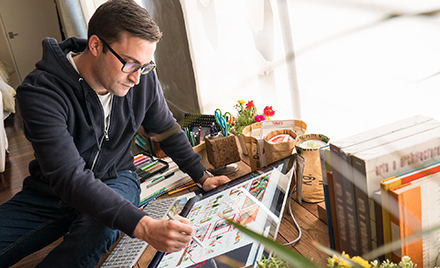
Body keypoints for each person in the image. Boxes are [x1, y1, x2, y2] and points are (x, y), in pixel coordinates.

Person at [0, 0, 230, 267]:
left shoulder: (141, 78)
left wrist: (201, 175)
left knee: (98, 231)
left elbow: (166, 130)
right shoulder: (40, 93)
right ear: (96, 45)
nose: (137, 79)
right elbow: (68, 177)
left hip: (116, 177)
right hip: (50, 193)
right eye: (130, 64)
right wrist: (145, 228)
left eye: (145, 66)